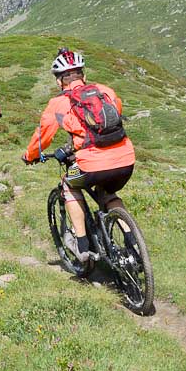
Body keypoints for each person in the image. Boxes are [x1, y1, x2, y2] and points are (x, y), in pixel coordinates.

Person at [21, 48, 137, 262]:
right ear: (84, 75)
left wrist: (30, 156)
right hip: (126, 159)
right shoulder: (106, 91)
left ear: (59, 81)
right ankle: (134, 244)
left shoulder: (58, 103)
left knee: (69, 184)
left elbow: (42, 136)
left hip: (91, 164)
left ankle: (82, 245)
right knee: (109, 195)